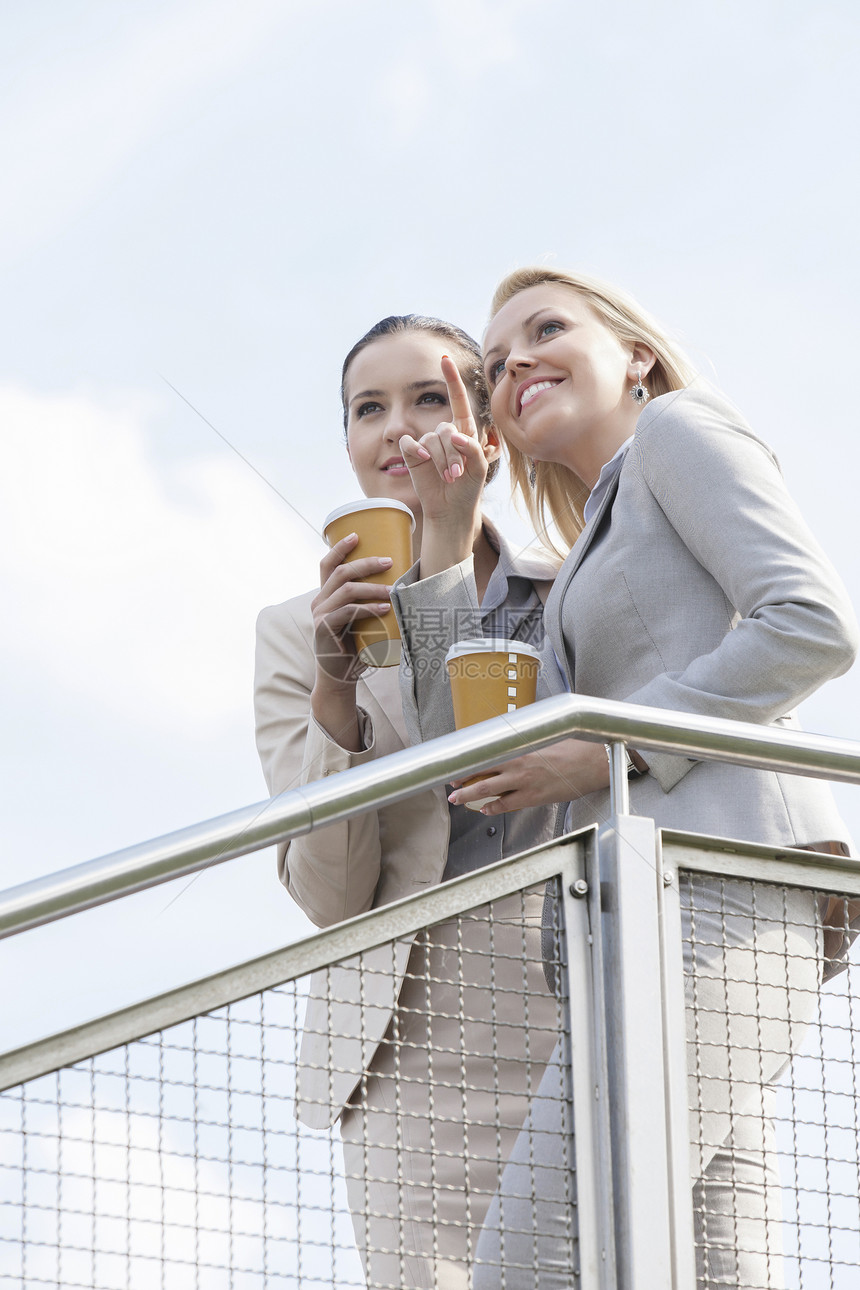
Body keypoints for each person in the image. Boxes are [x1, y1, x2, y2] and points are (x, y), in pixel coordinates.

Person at [396, 268, 859, 1288]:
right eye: (492, 363)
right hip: (636, 923)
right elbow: (463, 756)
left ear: (634, 356)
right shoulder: (584, 558)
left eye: (545, 328)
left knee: (532, 1261)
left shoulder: (676, 435)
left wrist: (615, 748)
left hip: (721, 886)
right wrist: (443, 525)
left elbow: (811, 623)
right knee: (713, 1271)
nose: (514, 361)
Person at [253, 314, 567, 1289]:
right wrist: (334, 694)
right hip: (406, 1049)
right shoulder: (290, 635)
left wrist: (443, 545)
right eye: (366, 408)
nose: (395, 428)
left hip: (575, 1017)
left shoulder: (571, 591)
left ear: (484, 424)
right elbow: (328, 896)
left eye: (428, 397)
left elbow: (480, 751)